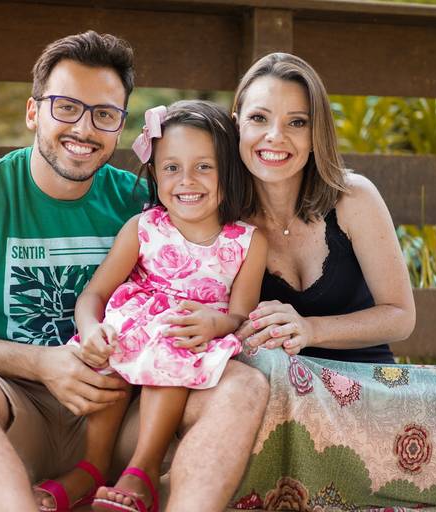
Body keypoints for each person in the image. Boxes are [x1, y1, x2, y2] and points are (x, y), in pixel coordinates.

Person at [0, 31, 269, 512]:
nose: (83, 127)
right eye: (66, 107)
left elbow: (227, 233)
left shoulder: (147, 201)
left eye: (104, 114)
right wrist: (42, 364)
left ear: (120, 128)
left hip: (127, 417)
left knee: (244, 385)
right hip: (19, 412)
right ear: (33, 111)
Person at [228, 52, 436, 511]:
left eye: (297, 122)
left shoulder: (353, 197)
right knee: (266, 373)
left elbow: (400, 316)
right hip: (288, 404)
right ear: (237, 124)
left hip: (373, 393)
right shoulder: (223, 218)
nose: (275, 136)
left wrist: (310, 329)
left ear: (317, 135)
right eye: (259, 118)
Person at [34, 100, 267, 512]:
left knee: (171, 340)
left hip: (188, 335)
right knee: (111, 346)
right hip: (130, 330)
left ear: (229, 171)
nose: (186, 180)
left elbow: (240, 314)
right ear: (155, 173)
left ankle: (142, 471)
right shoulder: (142, 228)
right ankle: (92, 467)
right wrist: (90, 329)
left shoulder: (247, 241)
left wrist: (214, 323)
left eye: (204, 166)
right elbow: (94, 295)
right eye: (171, 167)